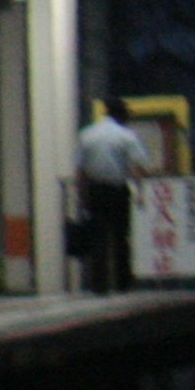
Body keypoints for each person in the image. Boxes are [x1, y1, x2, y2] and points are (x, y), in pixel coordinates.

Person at [75, 98, 151, 295]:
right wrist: (140, 193)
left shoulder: (87, 134)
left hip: (95, 191)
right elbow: (137, 167)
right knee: (120, 236)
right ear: (121, 115)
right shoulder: (126, 136)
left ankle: (99, 286)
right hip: (117, 191)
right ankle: (122, 283)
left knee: (97, 237)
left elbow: (80, 171)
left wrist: (82, 196)